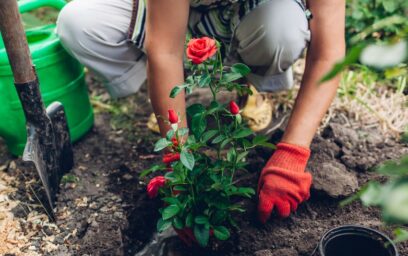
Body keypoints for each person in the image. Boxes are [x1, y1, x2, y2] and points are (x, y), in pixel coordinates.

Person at [56, 0, 345, 223]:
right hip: (171, 12)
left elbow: (329, 54)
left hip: (255, 14)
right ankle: (172, 97)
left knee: (281, 30)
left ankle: (246, 89)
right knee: (79, 23)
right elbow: (165, 50)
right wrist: (177, 157)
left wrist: (292, 153)